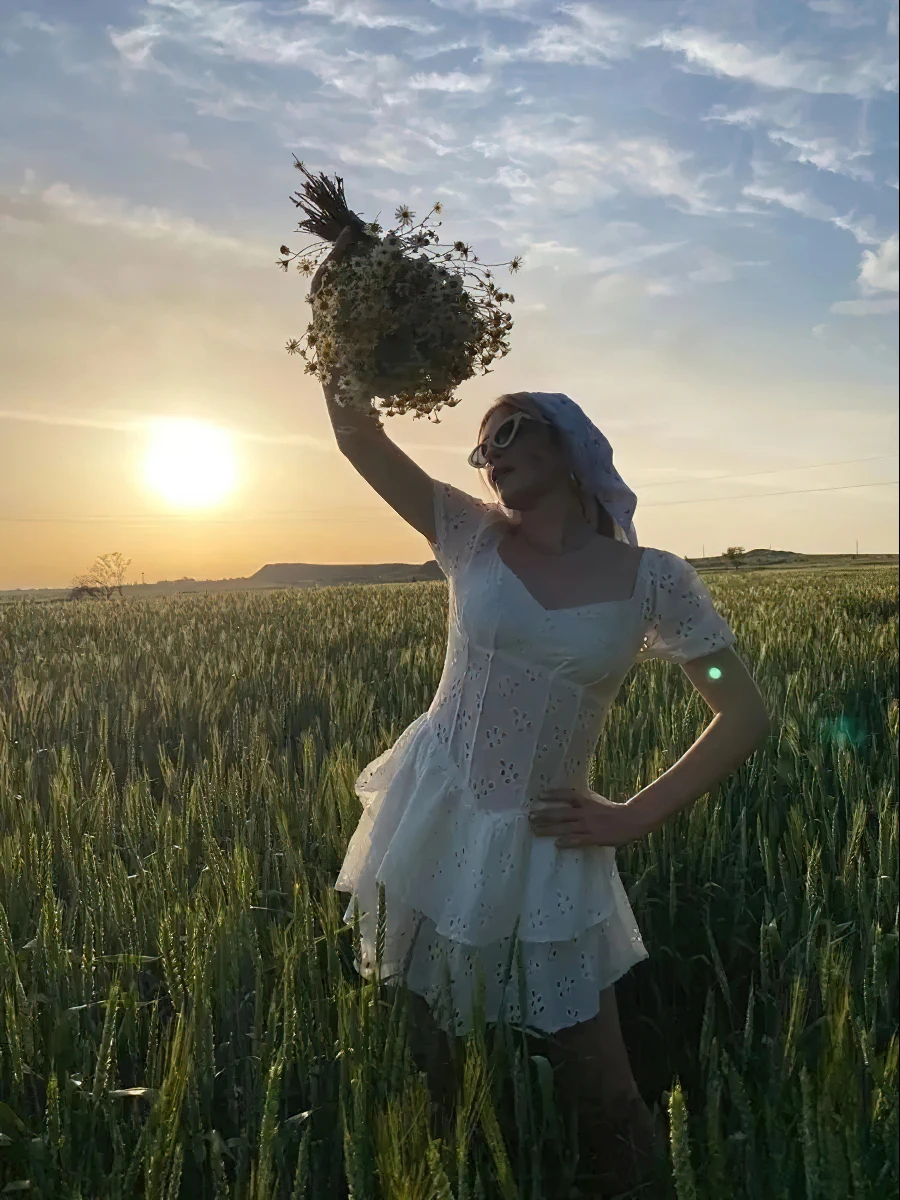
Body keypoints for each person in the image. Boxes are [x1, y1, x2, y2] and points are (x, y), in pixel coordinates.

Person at [316, 227, 771, 1184]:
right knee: (431, 1064)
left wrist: (632, 815)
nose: (488, 454)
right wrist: (343, 298)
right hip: (435, 813)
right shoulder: (467, 536)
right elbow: (358, 432)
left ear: (571, 447)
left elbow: (741, 712)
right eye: (481, 445)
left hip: (549, 841)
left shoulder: (659, 582)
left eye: (511, 429)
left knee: (602, 1086)